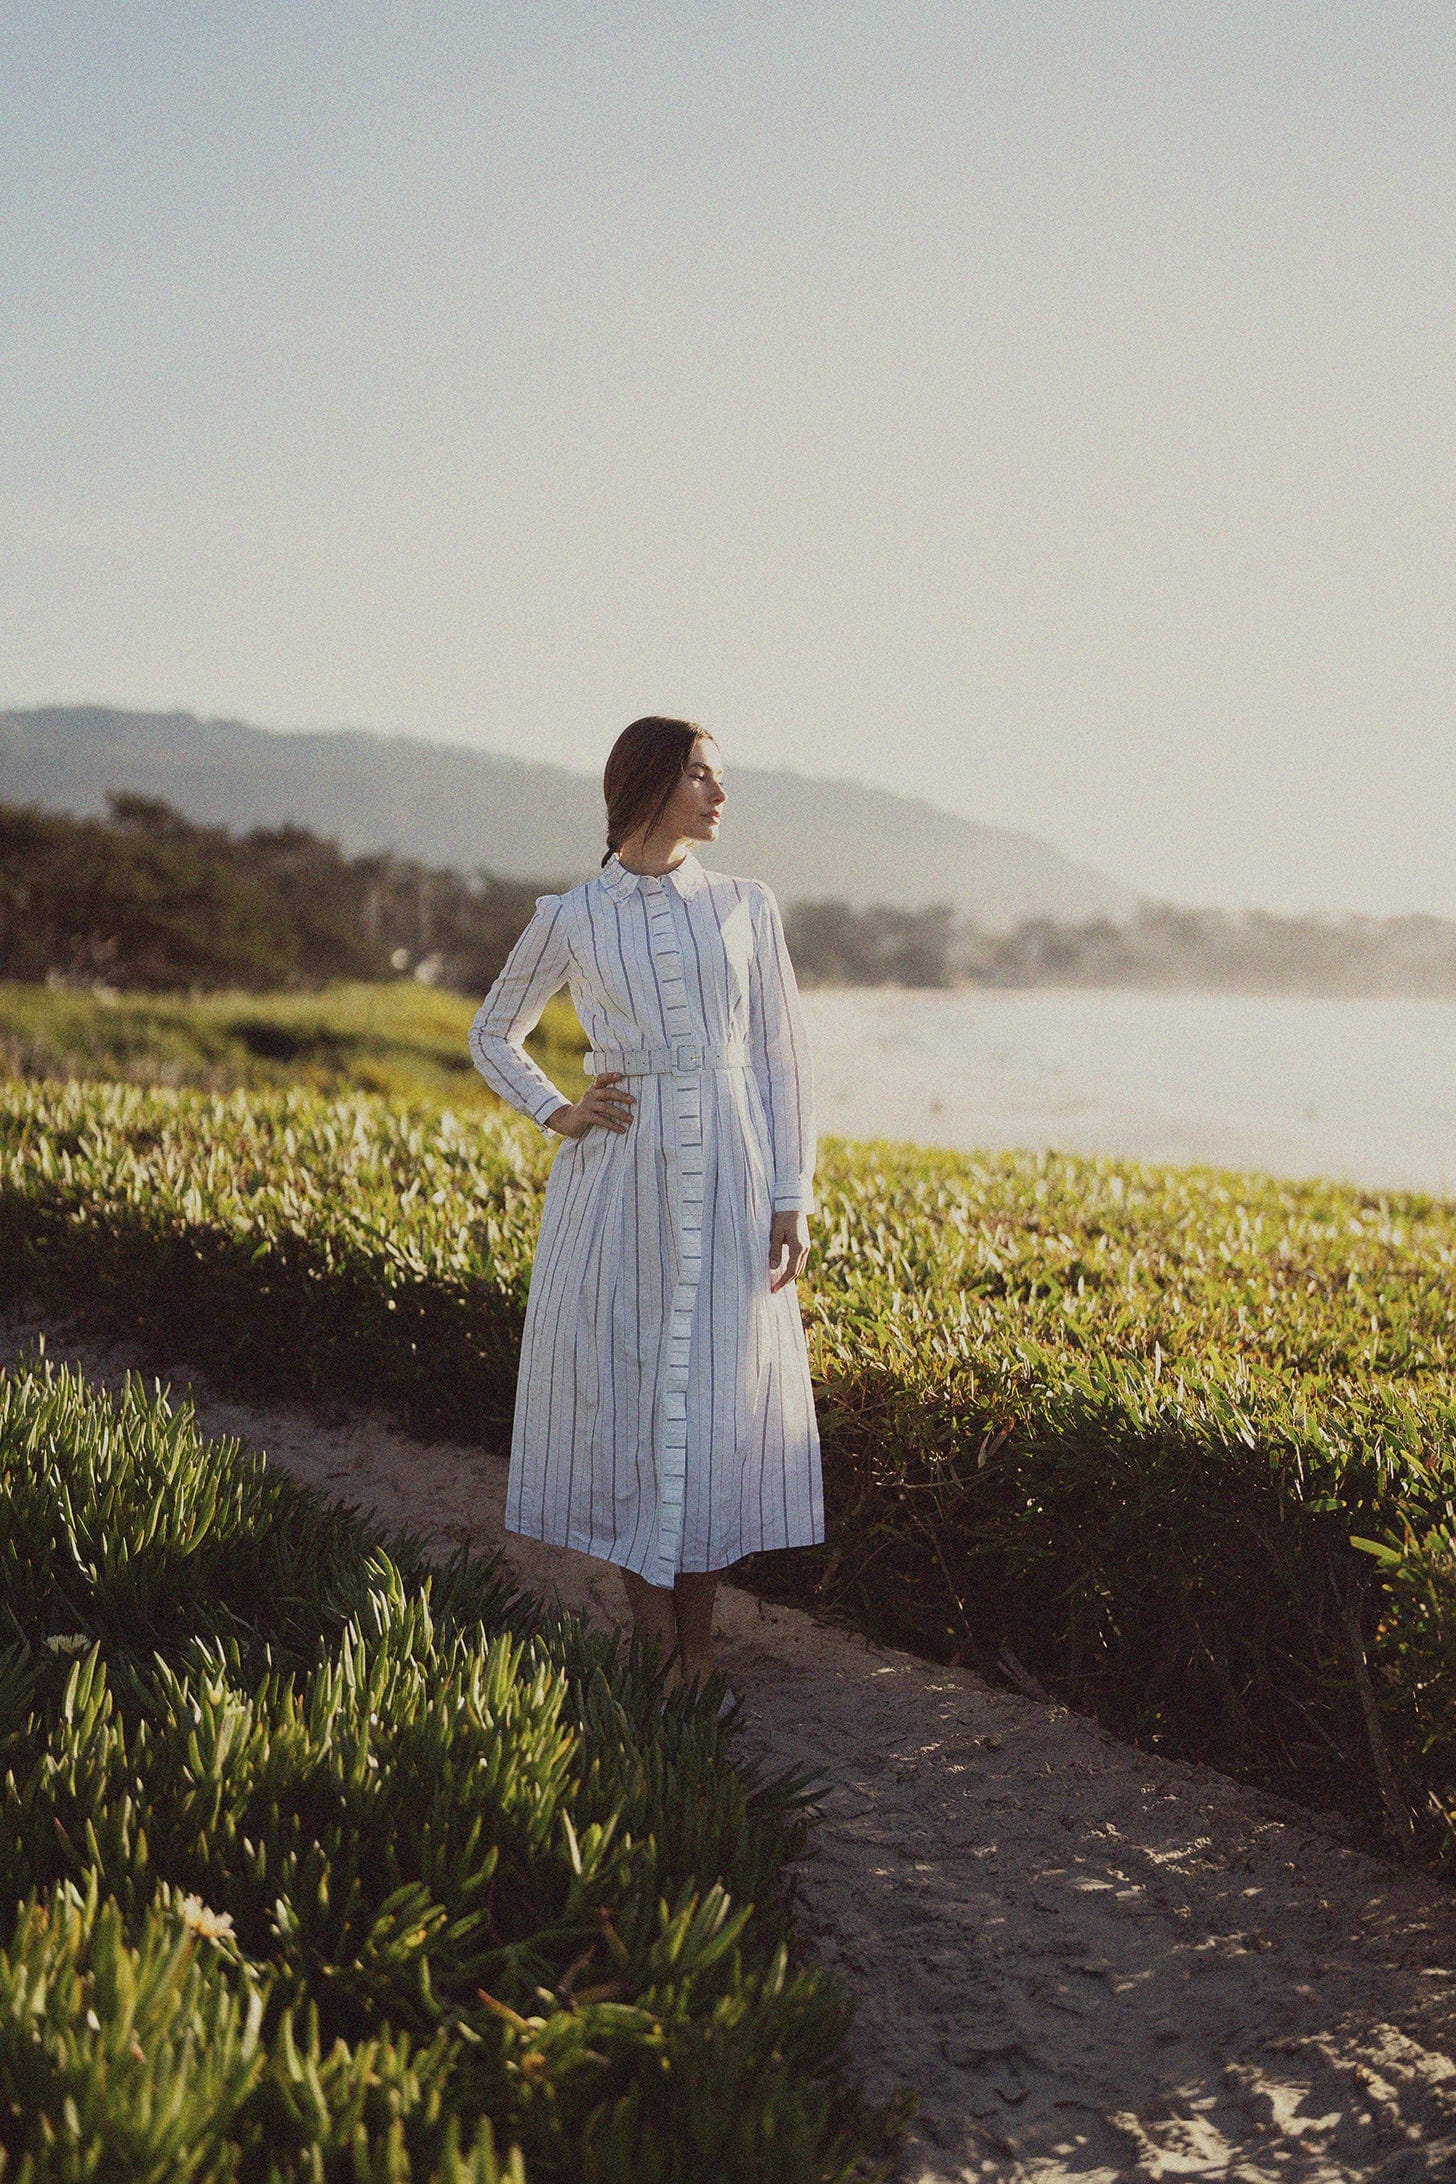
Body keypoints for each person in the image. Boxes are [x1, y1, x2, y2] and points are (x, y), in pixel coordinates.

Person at [468, 715, 823, 1688]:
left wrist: (790, 1196)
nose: (719, 793)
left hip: (733, 1179)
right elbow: (492, 1032)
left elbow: (784, 1057)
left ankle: (696, 1651)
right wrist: (558, 1110)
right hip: (617, 1181)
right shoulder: (572, 916)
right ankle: (657, 1643)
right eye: (701, 775)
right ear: (651, 783)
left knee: (711, 1406)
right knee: (630, 1401)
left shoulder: (747, 905)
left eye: (718, 776)